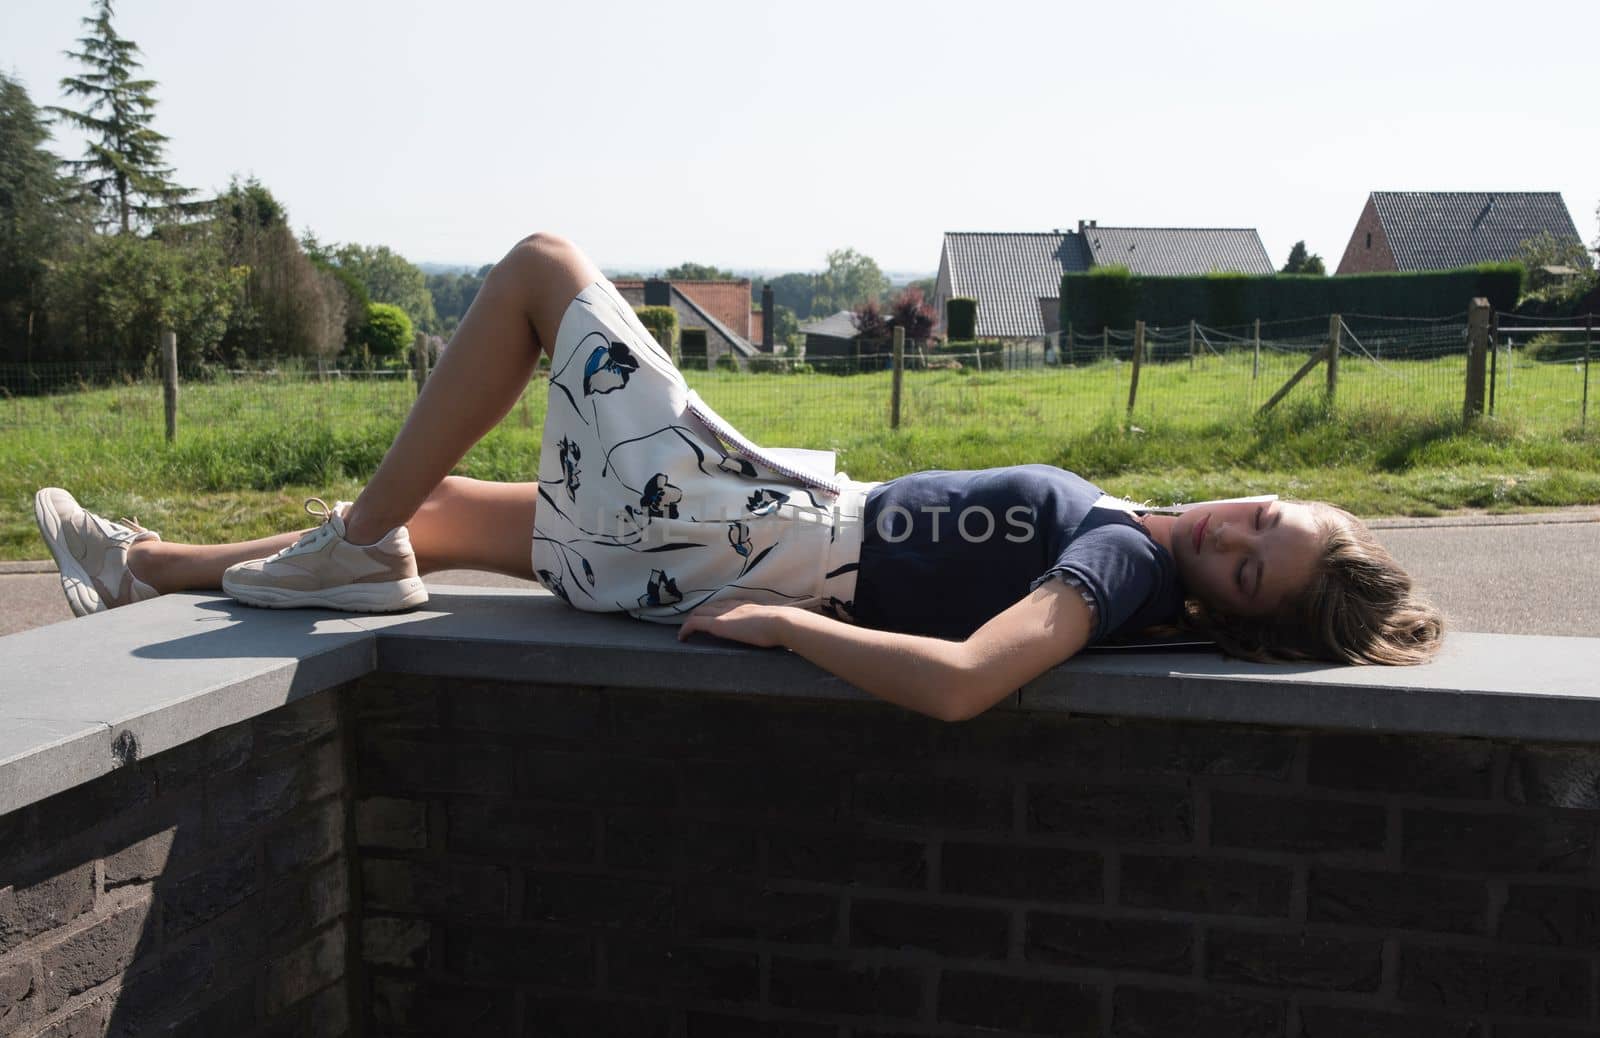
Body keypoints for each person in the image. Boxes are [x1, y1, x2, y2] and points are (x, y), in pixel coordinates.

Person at [32, 233, 1444, 723]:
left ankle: (340, 550)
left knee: (536, 271)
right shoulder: (1144, 540)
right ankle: (143, 565)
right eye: (1266, 516)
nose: (1233, 531)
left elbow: (965, 680)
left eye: (1248, 566)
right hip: (743, 524)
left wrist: (785, 630)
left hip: (749, 546)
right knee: (441, 517)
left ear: (1232, 611)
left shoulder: (1124, 568)